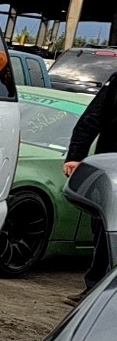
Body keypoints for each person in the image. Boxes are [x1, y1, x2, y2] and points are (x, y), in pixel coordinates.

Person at [63, 72, 117, 305]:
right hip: (110, 170)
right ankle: (95, 290)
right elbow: (92, 119)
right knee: (105, 227)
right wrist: (75, 156)